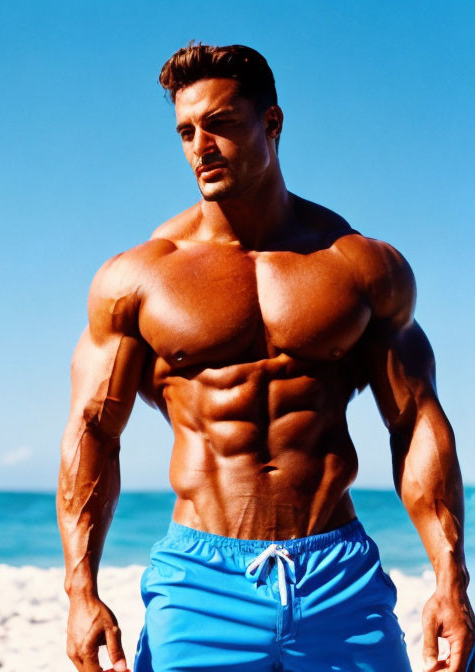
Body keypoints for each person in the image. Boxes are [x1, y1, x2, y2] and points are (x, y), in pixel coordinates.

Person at [57, 43, 474, 672]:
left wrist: (451, 579)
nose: (201, 145)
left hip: (337, 574)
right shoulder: (140, 278)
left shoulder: (358, 264)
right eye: (186, 131)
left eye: (221, 124)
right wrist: (80, 591)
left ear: (271, 122)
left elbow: (414, 421)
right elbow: (92, 430)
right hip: (200, 581)